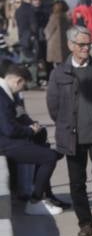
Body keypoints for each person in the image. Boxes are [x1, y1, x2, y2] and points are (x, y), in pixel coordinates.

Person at [45, 26, 92, 236]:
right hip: (72, 136)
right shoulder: (59, 73)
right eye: (81, 45)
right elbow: (53, 106)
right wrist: (66, 123)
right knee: (77, 182)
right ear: (70, 46)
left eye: (89, 44)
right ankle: (85, 222)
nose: (86, 48)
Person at [0, 60, 64, 216]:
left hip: (6, 141)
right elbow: (9, 129)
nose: (22, 90)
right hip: (4, 143)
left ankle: (43, 195)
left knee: (46, 151)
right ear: (18, 81)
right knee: (48, 157)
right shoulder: (2, 96)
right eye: (23, 86)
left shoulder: (4, 93)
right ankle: (35, 201)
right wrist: (29, 130)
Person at [44, 0, 71, 69]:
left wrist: (46, 37)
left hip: (55, 45)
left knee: (57, 65)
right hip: (65, 44)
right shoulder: (67, 17)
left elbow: (48, 30)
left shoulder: (54, 17)